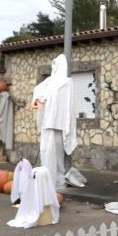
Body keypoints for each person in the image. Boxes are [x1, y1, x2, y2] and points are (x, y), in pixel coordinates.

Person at [31, 54, 86, 190]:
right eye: (53, 65)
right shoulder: (48, 82)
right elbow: (38, 91)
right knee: (46, 152)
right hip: (47, 123)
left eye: (57, 64)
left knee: (58, 156)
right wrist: (39, 100)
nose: (55, 67)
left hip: (58, 123)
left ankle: (59, 181)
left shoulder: (67, 82)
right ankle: (48, 182)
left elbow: (67, 103)